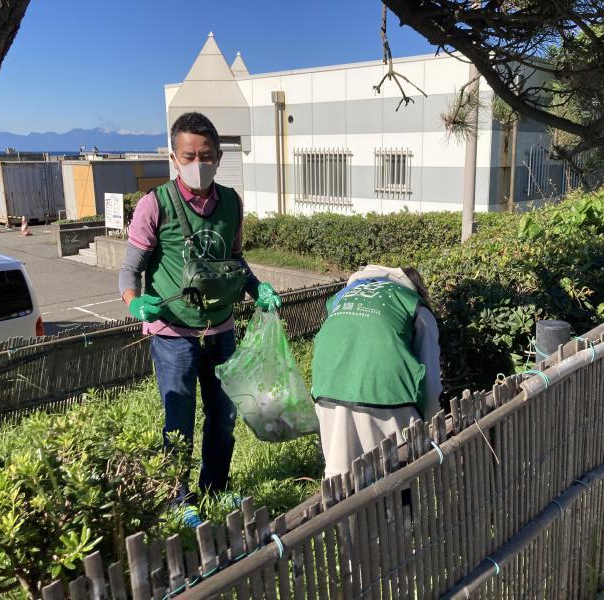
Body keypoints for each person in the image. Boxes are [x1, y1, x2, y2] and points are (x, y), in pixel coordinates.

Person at [119, 111, 281, 505]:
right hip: (173, 333)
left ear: (219, 157)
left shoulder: (231, 203)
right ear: (173, 158)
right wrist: (135, 302)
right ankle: (177, 500)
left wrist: (256, 287)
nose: (198, 164)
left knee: (224, 418)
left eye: (206, 155)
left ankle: (215, 488)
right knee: (178, 422)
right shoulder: (154, 205)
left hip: (221, 329)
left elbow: (235, 260)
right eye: (189, 156)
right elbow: (129, 270)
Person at [311, 265, 443, 478]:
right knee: (396, 478)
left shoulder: (340, 300)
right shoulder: (414, 306)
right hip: (391, 398)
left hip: (327, 392)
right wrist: (429, 421)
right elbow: (431, 382)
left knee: (341, 479)